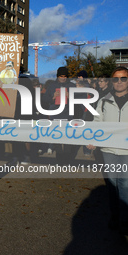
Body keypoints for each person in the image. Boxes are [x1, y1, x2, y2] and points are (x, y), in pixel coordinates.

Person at [87, 66, 128, 237]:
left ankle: (125, 220)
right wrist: (92, 140)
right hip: (108, 150)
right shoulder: (103, 101)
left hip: (126, 150)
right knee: (112, 185)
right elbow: (98, 122)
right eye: (116, 79)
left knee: (124, 185)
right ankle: (115, 217)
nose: (119, 82)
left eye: (123, 78)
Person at [42, 66, 78, 165]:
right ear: (58, 76)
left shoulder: (72, 86)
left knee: (67, 139)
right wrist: (52, 98)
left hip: (68, 115)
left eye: (65, 76)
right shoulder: (52, 86)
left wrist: (70, 97)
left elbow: (78, 101)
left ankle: (67, 160)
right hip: (55, 114)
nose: (63, 78)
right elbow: (44, 99)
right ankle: (60, 160)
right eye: (61, 76)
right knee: (57, 137)